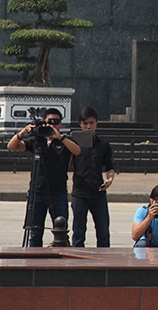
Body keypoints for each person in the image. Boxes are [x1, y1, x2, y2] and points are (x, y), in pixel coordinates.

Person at [8, 108, 81, 247]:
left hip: (58, 192)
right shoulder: (37, 140)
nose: (53, 125)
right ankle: (34, 263)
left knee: (61, 231)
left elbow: (77, 151)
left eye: (56, 122)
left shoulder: (65, 141)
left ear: (60, 124)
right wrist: (23, 132)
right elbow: (12, 146)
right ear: (44, 123)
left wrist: (60, 137)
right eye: (49, 122)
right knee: (35, 232)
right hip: (37, 192)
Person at [70, 106, 116, 247]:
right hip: (80, 193)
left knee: (103, 232)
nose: (89, 126)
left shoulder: (104, 145)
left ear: (97, 122)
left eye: (91, 123)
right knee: (78, 232)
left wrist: (110, 179)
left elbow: (109, 167)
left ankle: (104, 263)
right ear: (80, 124)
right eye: (85, 124)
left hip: (98, 193)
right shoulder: (74, 144)